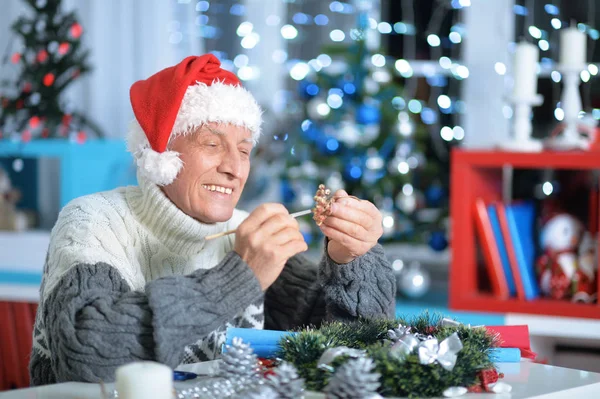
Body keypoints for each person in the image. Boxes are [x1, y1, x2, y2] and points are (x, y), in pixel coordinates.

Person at [29, 54, 396, 385]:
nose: (234, 169)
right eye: (212, 144)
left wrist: (352, 260)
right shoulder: (94, 221)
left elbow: (351, 345)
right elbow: (86, 354)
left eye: (244, 150)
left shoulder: (244, 229)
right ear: (163, 153)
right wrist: (240, 277)